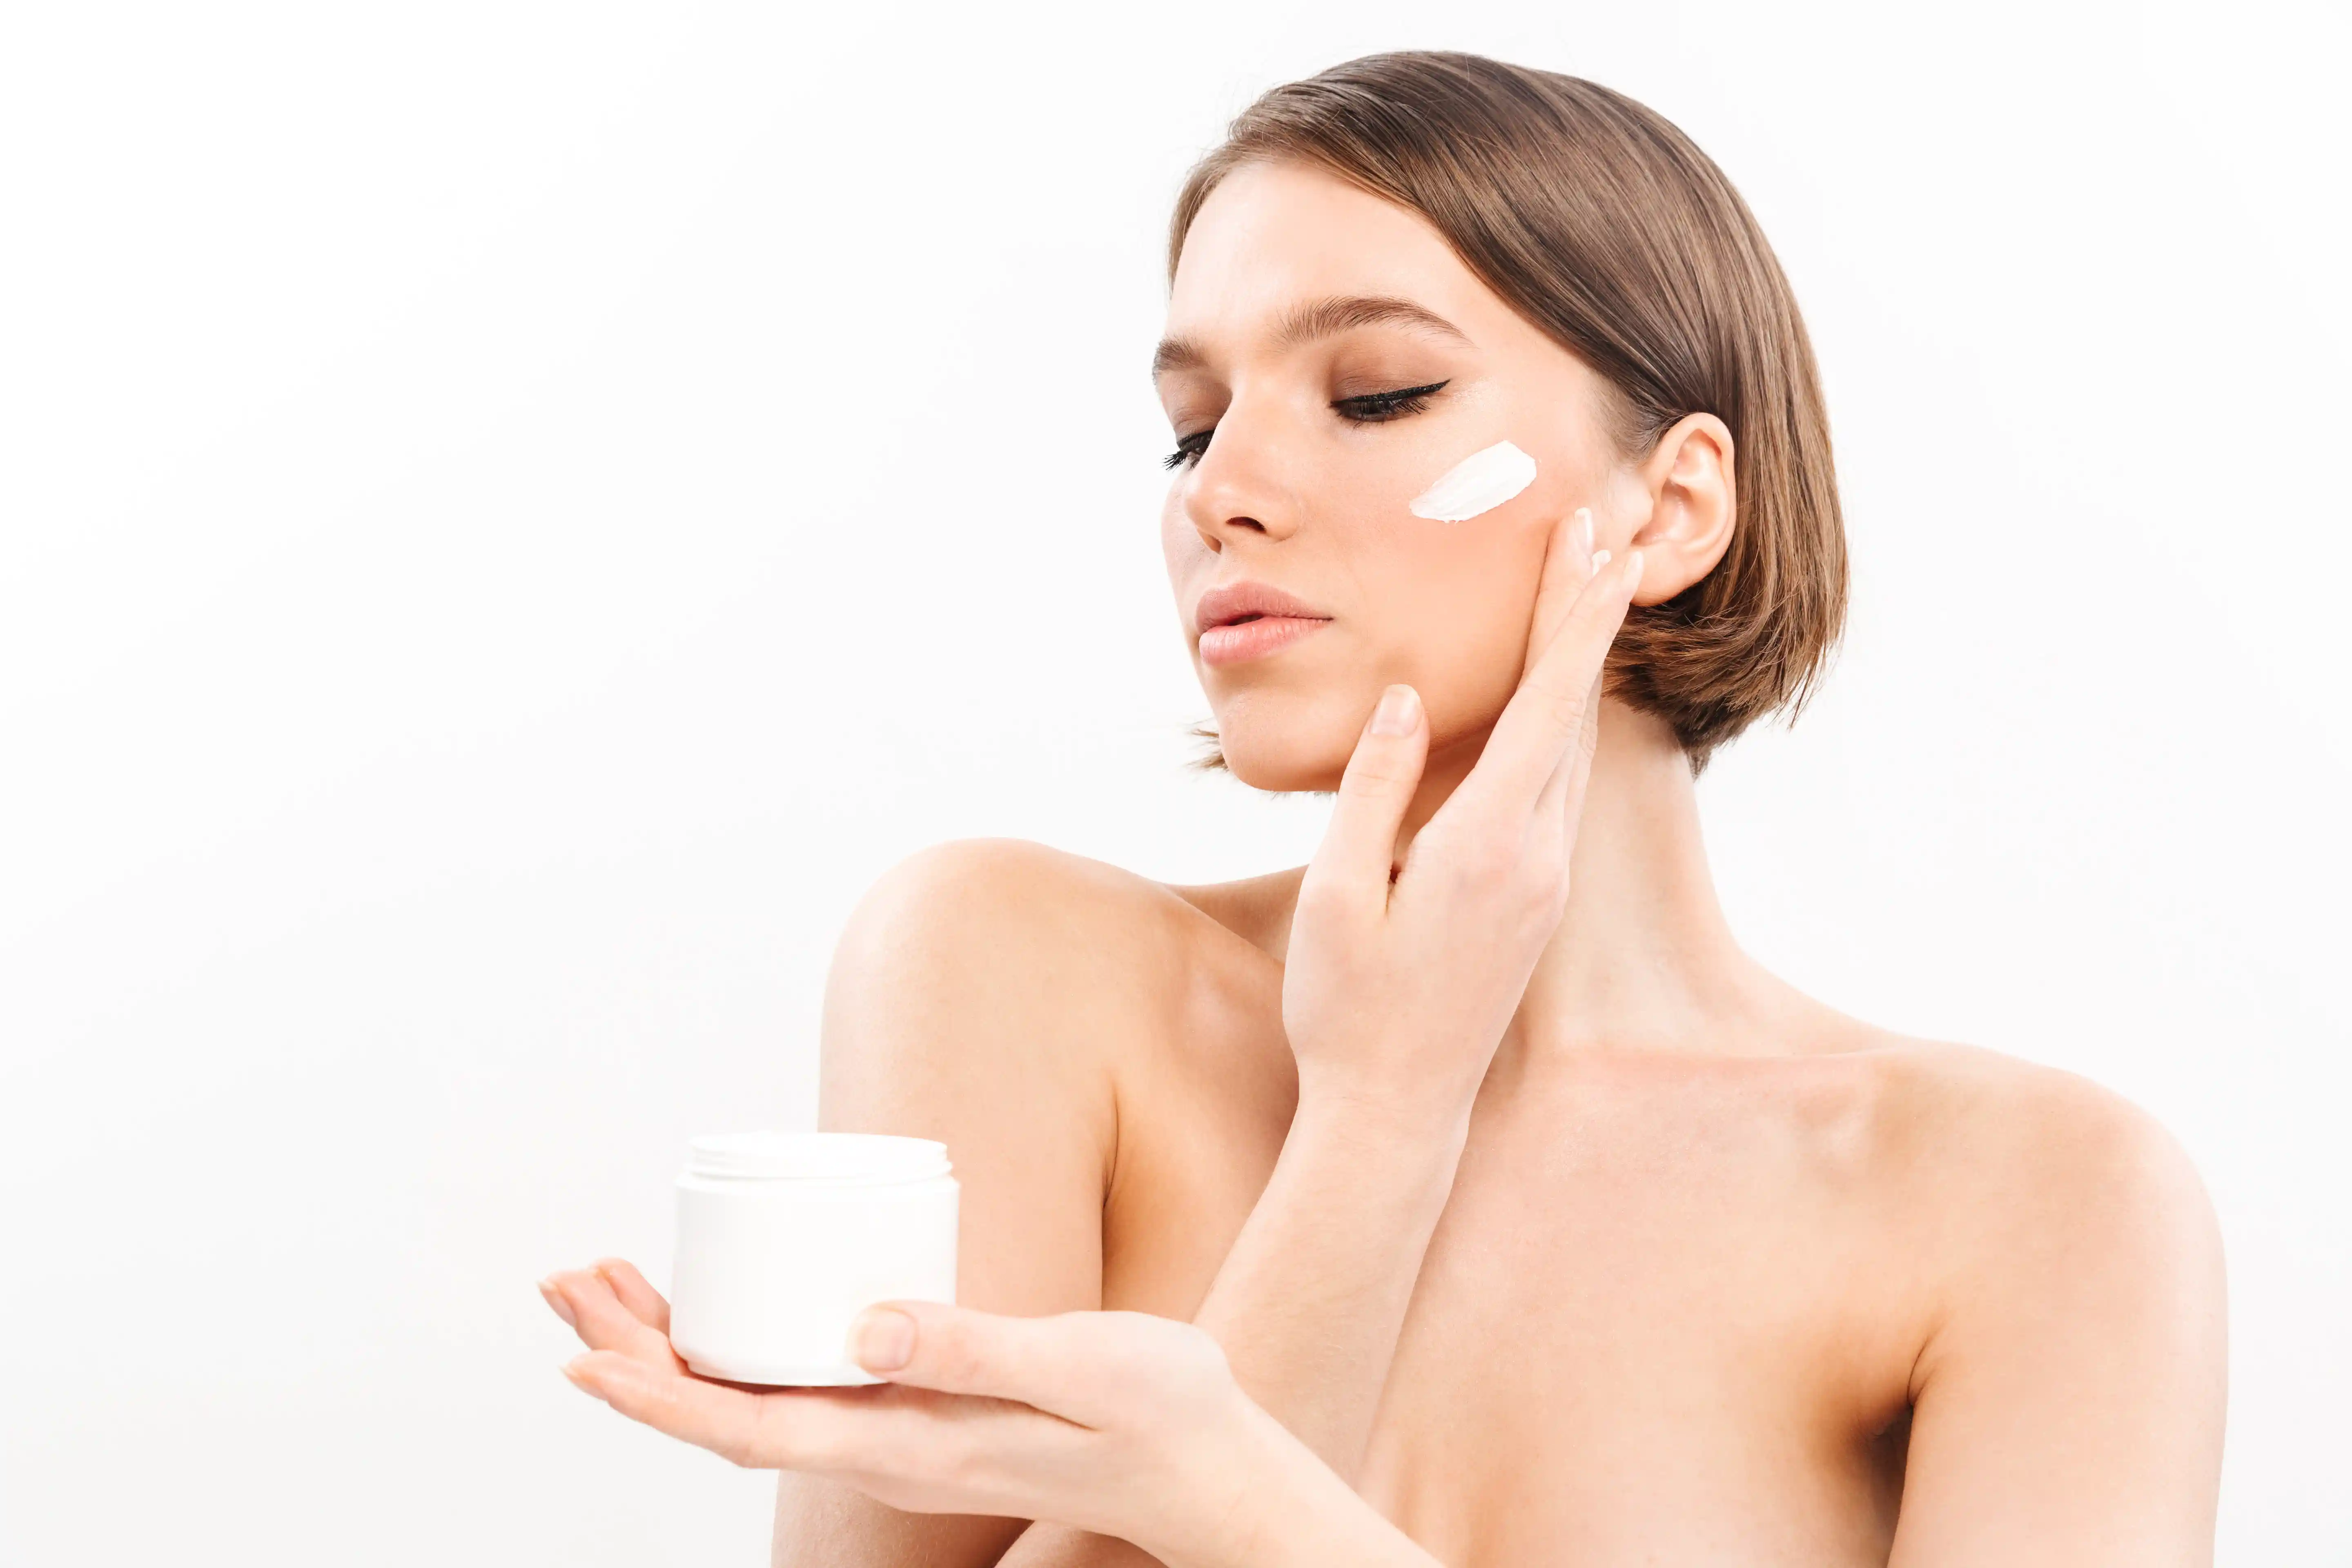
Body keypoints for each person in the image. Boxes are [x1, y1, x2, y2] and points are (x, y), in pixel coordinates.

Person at [543, 51, 2227, 1566]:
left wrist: (1219, 1484)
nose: (1223, 493)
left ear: (1674, 504)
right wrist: (1375, 1119)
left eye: (1374, 395)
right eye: (1189, 430)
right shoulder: (1010, 972)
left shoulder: (2039, 1205)